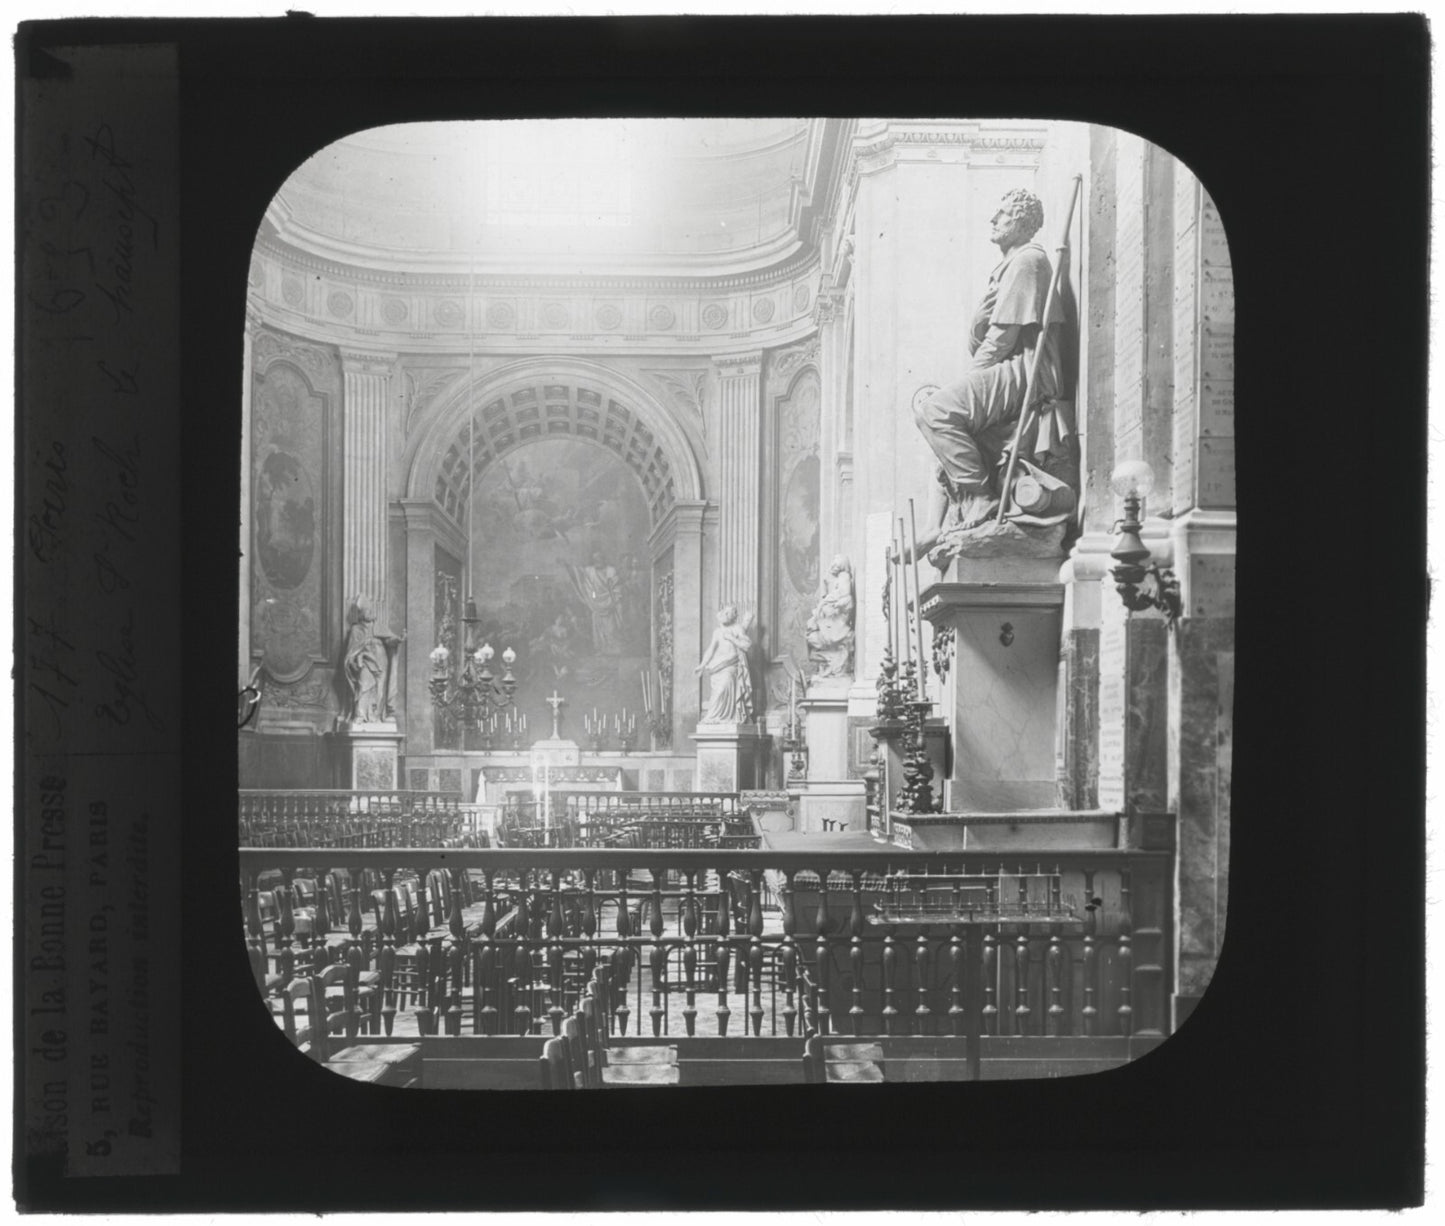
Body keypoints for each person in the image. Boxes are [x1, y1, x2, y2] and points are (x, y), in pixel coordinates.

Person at [912, 187, 1076, 535]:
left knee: (935, 411)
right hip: (1011, 365)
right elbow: (980, 338)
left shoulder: (1027, 261)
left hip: (1027, 369)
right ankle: (935, 526)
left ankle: (980, 497)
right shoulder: (1007, 267)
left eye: (1001, 214)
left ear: (1021, 221)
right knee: (941, 430)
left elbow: (1001, 339)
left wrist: (964, 383)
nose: (993, 219)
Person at [342, 594, 404, 723]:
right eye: (368, 611)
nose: (371, 613)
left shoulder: (380, 626)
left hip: (381, 660)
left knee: (380, 689)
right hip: (365, 660)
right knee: (363, 684)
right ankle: (360, 714)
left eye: (371, 610)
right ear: (361, 614)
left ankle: (375, 715)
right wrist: (353, 660)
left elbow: (389, 640)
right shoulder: (356, 629)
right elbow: (351, 650)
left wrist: (398, 639)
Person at [694, 605, 754, 724]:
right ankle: (714, 718)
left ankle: (723, 717)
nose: (725, 614)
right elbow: (710, 650)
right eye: (724, 612)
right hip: (717, 670)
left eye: (729, 613)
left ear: (734, 617)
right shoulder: (717, 632)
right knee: (716, 694)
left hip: (730, 667)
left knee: (722, 689)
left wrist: (731, 638)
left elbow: (746, 645)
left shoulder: (737, 629)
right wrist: (701, 665)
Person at [805, 556, 856, 677]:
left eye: (836, 566)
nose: (832, 568)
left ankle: (833, 663)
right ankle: (830, 663)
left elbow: (844, 595)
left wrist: (828, 603)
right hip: (832, 623)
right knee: (811, 636)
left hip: (837, 626)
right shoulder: (839, 580)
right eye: (833, 565)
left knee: (813, 637)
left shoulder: (844, 577)